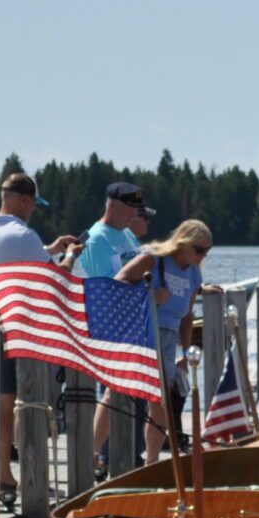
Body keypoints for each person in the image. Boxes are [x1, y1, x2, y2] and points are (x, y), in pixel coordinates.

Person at [0, 171, 72, 498]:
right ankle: (33, 475)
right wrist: (68, 256)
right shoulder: (24, 234)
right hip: (24, 329)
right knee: (31, 403)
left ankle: (3, 473)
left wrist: (48, 248)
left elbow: (16, 255)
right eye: (33, 206)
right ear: (24, 200)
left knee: (3, 402)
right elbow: (54, 278)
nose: (33, 212)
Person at [116, 219, 224, 460]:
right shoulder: (154, 259)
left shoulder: (194, 274)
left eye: (207, 250)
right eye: (199, 249)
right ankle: (96, 453)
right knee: (127, 396)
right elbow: (117, 283)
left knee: (161, 402)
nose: (202, 255)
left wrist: (184, 354)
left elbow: (187, 317)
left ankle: (151, 460)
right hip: (143, 331)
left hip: (169, 339)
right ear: (183, 244)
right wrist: (149, 295)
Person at [76, 182, 154, 466]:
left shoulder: (127, 235)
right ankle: (93, 452)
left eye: (137, 210)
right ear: (113, 206)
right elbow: (106, 284)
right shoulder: (97, 239)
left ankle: (121, 454)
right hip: (109, 321)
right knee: (113, 388)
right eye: (131, 209)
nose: (135, 216)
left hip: (132, 321)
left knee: (128, 390)